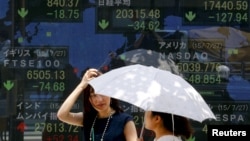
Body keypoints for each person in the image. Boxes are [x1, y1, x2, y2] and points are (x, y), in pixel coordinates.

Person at [57, 68, 138, 141]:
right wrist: (81, 86)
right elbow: (62, 115)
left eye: (102, 92)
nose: (99, 99)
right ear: (90, 100)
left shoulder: (125, 121)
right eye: (93, 95)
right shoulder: (88, 119)